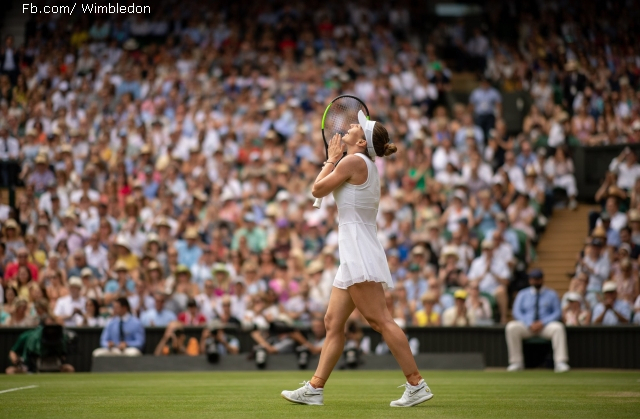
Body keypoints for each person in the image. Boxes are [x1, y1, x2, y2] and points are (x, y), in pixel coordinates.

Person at [281, 112, 433, 407]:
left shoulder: (352, 161)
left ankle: (416, 383)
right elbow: (323, 193)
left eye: (355, 127)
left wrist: (330, 159)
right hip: (353, 251)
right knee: (332, 322)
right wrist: (333, 160)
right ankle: (315, 388)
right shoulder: (362, 163)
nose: (350, 126)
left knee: (380, 320)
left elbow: (317, 190)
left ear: (362, 141)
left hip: (358, 251)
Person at [505, 269, 569, 373]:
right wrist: (529, 323)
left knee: (558, 328)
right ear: (530, 280)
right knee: (511, 327)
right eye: (534, 279)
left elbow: (557, 312)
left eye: (538, 279)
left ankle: (560, 362)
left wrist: (542, 322)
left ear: (542, 279)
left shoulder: (552, 294)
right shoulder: (522, 294)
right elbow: (516, 312)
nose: (536, 281)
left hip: (545, 327)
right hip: (527, 326)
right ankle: (516, 362)